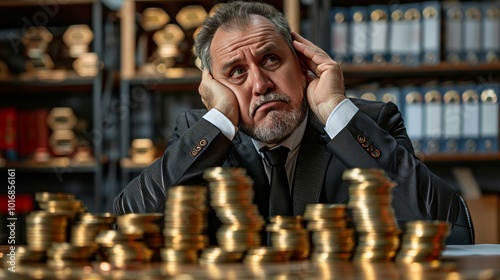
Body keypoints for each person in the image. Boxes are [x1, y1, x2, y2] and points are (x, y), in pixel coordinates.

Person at [114, 1, 472, 244]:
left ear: (302, 64)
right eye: (236, 72)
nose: (260, 84)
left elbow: (445, 226)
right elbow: (126, 224)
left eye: (271, 59)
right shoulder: (203, 133)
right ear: (213, 86)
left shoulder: (365, 124)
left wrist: (334, 108)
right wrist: (220, 119)